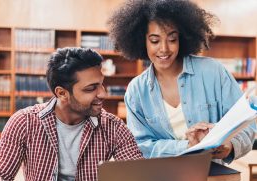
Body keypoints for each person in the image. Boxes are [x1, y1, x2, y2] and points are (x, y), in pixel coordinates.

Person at [0, 47, 143, 181]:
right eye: (91, 89)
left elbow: (140, 177)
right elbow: (0, 175)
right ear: (62, 93)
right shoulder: (24, 122)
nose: (103, 93)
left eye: (101, 84)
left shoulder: (113, 126)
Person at [108, 0, 255, 160]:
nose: (164, 48)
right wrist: (187, 146)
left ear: (182, 39)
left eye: (172, 39)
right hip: (160, 178)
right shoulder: (136, 91)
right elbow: (140, 146)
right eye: (155, 41)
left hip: (211, 177)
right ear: (142, 41)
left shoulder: (213, 72)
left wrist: (229, 146)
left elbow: (247, 124)